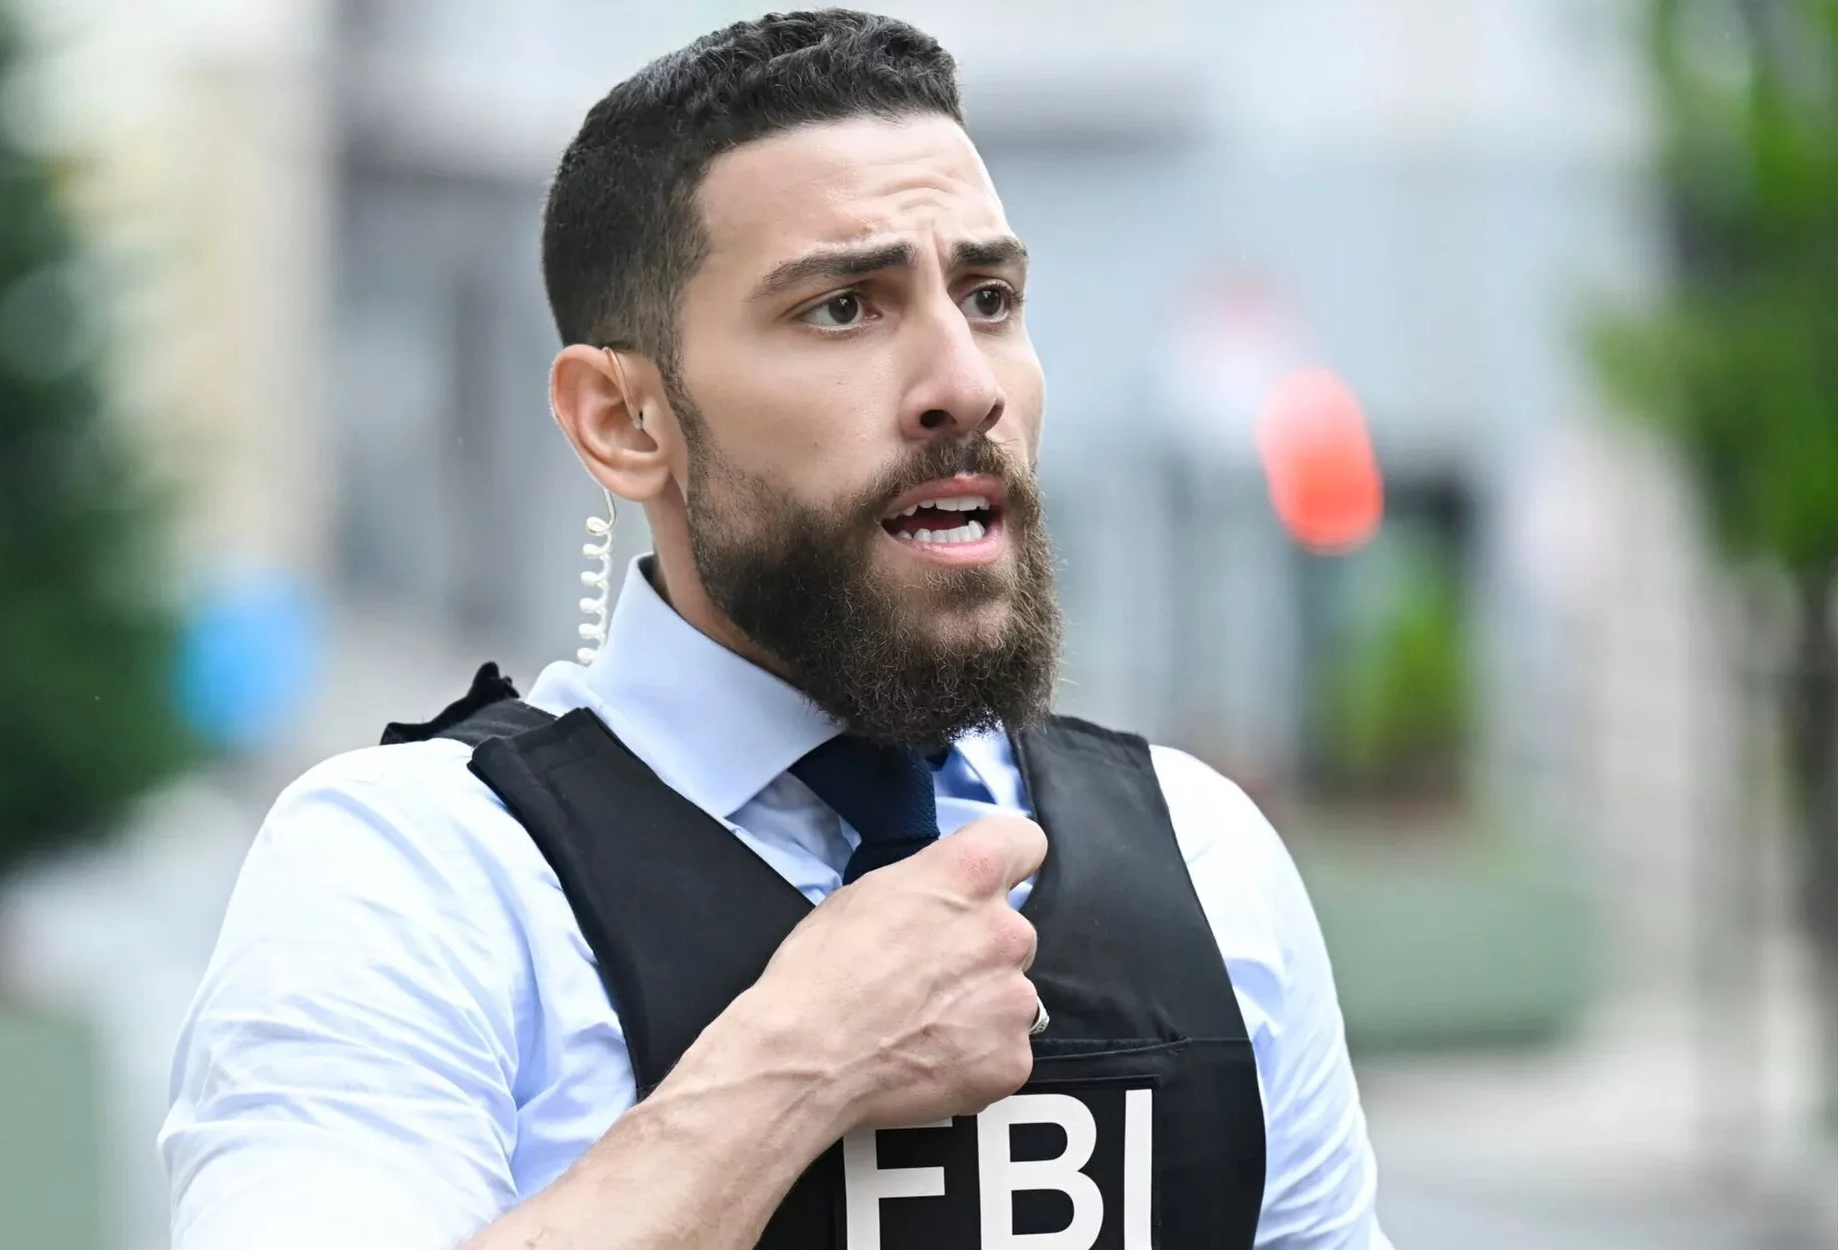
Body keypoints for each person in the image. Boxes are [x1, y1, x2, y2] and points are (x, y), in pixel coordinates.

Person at [161, 11, 1393, 1249]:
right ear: (623, 420)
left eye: (988, 297)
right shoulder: (419, 877)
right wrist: (797, 1059)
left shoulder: (1205, 857)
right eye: (843, 307)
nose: (964, 384)